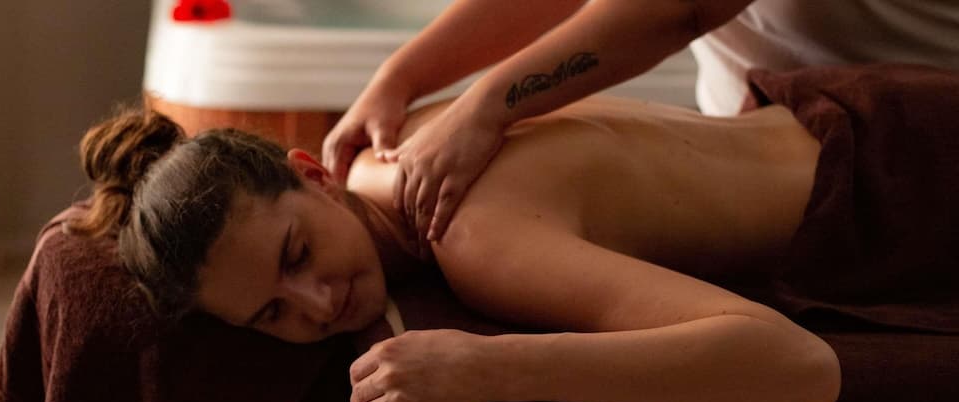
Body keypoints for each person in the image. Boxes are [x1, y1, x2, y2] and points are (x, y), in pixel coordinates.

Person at [71, 70, 872, 402]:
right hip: (852, 107)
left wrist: (491, 369)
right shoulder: (393, 141)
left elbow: (798, 367)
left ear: (311, 174)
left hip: (894, 188)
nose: (317, 304)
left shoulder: (474, 238)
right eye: (271, 314)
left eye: (297, 253)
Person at [321, 0, 959, 248]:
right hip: (779, 134)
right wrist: (401, 78)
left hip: (912, 144)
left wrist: (488, 106)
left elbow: (678, 10)